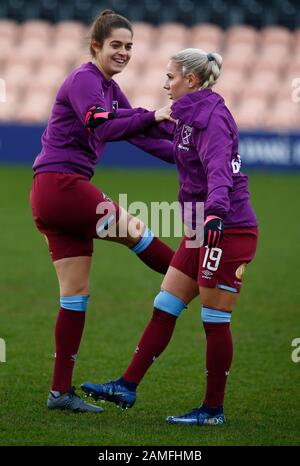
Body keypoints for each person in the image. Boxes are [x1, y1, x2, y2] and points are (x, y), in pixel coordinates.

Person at [81, 48, 259, 425]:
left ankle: (212, 411)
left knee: (215, 319)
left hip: (226, 229)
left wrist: (213, 217)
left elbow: (219, 175)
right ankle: (126, 385)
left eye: (170, 77)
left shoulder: (212, 120)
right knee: (165, 303)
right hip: (201, 228)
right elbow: (154, 134)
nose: (165, 83)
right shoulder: (185, 117)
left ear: (190, 80)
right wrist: (113, 120)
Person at [30, 10, 176, 413]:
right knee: (135, 230)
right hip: (63, 186)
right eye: (116, 45)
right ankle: (191, 276)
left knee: (75, 295)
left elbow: (140, 131)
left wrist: (187, 155)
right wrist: (152, 116)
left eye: (129, 46)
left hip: (50, 194)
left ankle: (60, 393)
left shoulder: (108, 88)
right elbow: (103, 125)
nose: (124, 52)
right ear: (95, 46)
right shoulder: (84, 80)